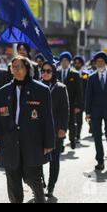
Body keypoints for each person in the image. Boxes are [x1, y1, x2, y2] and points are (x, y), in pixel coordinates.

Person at [0, 56, 55, 203]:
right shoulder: (1, 93)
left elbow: (47, 119)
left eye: (20, 67)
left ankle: (39, 199)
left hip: (32, 142)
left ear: (27, 69)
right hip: (9, 143)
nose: (17, 70)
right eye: (14, 67)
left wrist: (49, 143)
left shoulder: (41, 90)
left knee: (33, 178)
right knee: (13, 183)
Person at [40, 61, 69, 198]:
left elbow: (65, 110)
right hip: (38, 130)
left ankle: (51, 187)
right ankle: (40, 182)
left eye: (48, 71)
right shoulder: (36, 86)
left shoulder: (61, 88)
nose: (45, 73)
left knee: (54, 159)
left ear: (53, 72)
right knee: (37, 158)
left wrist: (63, 128)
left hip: (56, 130)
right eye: (43, 70)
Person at [58, 52, 83, 150]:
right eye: (63, 60)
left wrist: (78, 105)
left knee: (72, 123)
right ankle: (61, 143)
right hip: (59, 103)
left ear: (69, 62)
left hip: (71, 103)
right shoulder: (56, 72)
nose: (64, 62)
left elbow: (79, 92)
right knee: (60, 123)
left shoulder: (75, 74)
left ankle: (72, 139)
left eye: (66, 60)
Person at [73, 56, 89, 141]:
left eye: (78, 63)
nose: (77, 64)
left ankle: (78, 135)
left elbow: (86, 85)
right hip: (73, 99)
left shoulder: (85, 74)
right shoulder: (71, 73)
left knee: (79, 118)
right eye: (75, 63)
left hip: (81, 99)